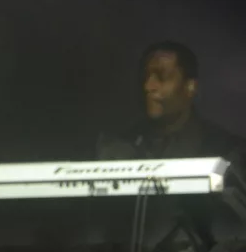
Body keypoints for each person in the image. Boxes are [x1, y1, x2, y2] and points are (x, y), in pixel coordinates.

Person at [96, 41, 246, 163]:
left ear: (190, 87)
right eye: (145, 77)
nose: (148, 86)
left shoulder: (226, 150)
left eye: (162, 76)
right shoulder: (118, 147)